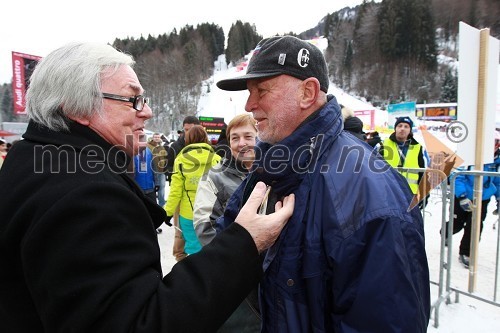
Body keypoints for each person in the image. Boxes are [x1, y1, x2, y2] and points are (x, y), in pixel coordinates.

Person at [0, 42, 295, 333]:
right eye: (133, 100)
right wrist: (245, 242)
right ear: (78, 107)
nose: (148, 112)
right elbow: (138, 322)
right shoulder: (86, 194)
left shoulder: (30, 159)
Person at [215, 35, 430, 332]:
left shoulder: (370, 194)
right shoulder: (269, 167)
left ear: (308, 92)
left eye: (261, 91)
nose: (250, 105)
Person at [193, 114, 259, 332]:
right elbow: (204, 226)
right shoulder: (214, 177)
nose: (242, 143)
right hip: (235, 279)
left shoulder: (275, 172)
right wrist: (235, 257)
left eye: (248, 136)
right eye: (234, 138)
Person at [164, 125, 221, 255]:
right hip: (212, 213)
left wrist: (168, 212)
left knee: (193, 251)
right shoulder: (217, 159)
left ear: (187, 139)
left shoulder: (180, 160)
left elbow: (175, 191)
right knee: (211, 251)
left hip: (188, 214)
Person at [445, 152, 500, 268]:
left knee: (475, 226)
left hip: (482, 198)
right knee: (457, 223)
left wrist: (499, 198)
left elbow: (497, 181)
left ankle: (466, 252)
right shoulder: (470, 154)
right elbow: (457, 176)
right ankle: (445, 232)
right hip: (464, 195)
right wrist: (462, 196)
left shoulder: (496, 161)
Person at [165, 116, 200, 261]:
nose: (188, 133)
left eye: (191, 130)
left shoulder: (209, 149)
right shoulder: (175, 147)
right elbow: (167, 168)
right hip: (180, 197)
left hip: (203, 198)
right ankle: (181, 261)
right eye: (186, 130)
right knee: (180, 233)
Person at [380, 116, 429, 207]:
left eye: (406, 126)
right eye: (400, 126)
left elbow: (424, 174)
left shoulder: (418, 148)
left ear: (410, 130)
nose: (402, 129)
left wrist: (424, 195)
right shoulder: (382, 145)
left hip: (410, 195)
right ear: (395, 128)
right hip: (387, 192)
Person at [147, 132, 168, 207]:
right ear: (152, 138)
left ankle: (162, 205)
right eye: (155, 137)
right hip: (152, 172)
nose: (156, 138)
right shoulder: (148, 146)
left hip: (161, 172)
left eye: (158, 137)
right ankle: (153, 204)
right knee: (152, 188)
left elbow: (165, 158)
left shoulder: (162, 147)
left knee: (162, 189)